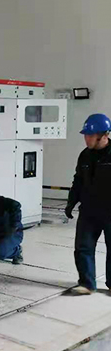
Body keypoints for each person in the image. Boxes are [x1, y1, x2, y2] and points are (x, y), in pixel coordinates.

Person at [65, 113, 111, 295]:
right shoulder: (84, 155)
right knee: (83, 247)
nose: (86, 139)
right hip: (89, 211)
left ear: (104, 135)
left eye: (90, 135)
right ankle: (87, 283)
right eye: (85, 135)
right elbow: (78, 180)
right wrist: (71, 202)